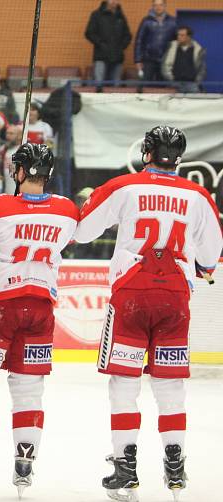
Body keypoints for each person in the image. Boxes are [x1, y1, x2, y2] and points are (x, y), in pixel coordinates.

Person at [73, 126, 223, 502]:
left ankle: (125, 467)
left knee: (124, 384)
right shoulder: (199, 194)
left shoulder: (123, 186)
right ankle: (175, 462)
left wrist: (87, 203)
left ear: (147, 152)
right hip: (175, 295)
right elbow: (211, 255)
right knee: (170, 386)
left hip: (132, 294)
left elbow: (84, 232)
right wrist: (201, 266)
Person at [0, 143, 79, 498]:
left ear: (18, 172)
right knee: (28, 391)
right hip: (40, 309)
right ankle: (25, 464)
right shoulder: (67, 210)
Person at [85, 0, 133, 84]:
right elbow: (89, 33)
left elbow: (128, 35)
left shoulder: (121, 16)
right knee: (99, 85)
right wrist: (101, 44)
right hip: (101, 57)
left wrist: (121, 47)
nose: (113, 1)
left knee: (116, 87)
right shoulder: (96, 15)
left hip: (117, 57)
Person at [134, 0, 177, 82]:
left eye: (160, 5)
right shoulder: (146, 21)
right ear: (153, 7)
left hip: (165, 60)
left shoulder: (172, 21)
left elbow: (176, 42)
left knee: (163, 86)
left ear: (165, 6)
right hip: (148, 59)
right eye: (155, 5)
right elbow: (139, 41)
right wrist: (138, 60)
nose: (158, 7)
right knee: (144, 84)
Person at [161, 26, 207, 93]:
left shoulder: (197, 49)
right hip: (174, 83)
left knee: (193, 102)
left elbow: (202, 69)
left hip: (192, 84)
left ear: (189, 37)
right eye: (178, 35)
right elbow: (165, 66)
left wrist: (197, 81)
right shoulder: (172, 48)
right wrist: (170, 79)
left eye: (182, 35)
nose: (179, 37)